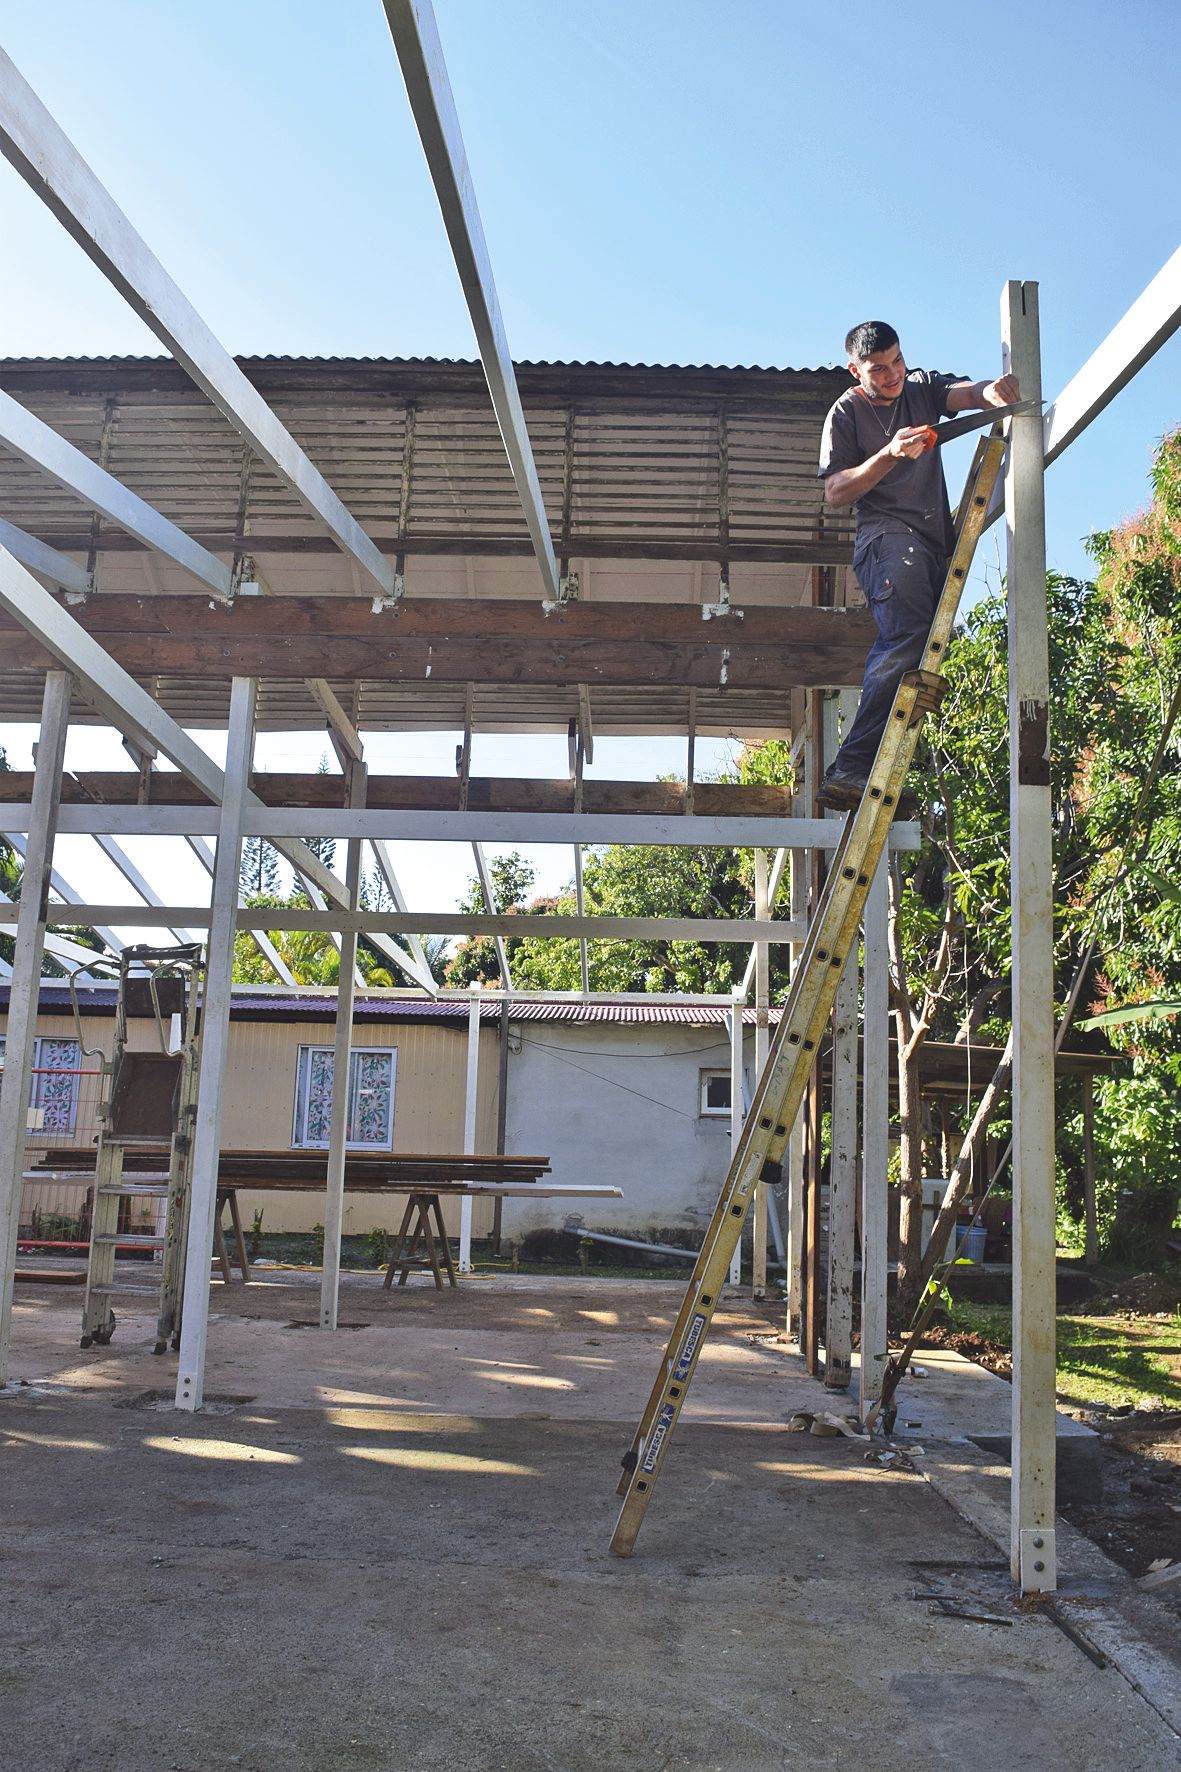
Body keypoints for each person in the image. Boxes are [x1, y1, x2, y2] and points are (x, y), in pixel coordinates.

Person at [815, 320, 1020, 810]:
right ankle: (851, 766)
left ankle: (880, 770)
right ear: (855, 370)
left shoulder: (918, 387)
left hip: (932, 543)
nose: (892, 375)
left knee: (923, 650)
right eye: (879, 369)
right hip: (884, 538)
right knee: (906, 637)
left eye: (897, 362)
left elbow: (962, 394)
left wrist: (993, 391)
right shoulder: (845, 413)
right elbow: (835, 492)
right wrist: (888, 454)